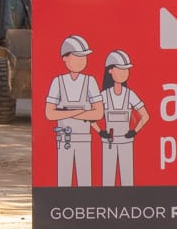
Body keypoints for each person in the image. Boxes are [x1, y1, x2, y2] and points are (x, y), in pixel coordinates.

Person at [45, 35, 104, 187]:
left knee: (85, 181)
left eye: (84, 57)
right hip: (65, 139)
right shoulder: (58, 82)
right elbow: (50, 113)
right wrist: (81, 111)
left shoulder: (90, 81)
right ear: (65, 58)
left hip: (84, 139)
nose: (82, 61)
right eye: (77, 56)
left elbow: (98, 113)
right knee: (63, 181)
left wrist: (67, 111)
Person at [93, 50, 150, 186]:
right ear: (110, 71)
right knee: (108, 180)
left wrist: (134, 131)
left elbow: (145, 115)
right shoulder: (104, 95)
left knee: (127, 179)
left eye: (126, 70)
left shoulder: (130, 94)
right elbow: (90, 117)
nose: (124, 73)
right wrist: (100, 131)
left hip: (126, 142)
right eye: (120, 69)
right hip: (109, 142)